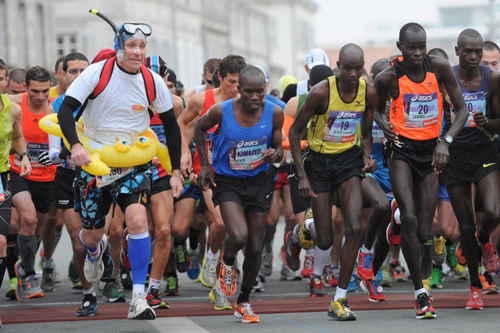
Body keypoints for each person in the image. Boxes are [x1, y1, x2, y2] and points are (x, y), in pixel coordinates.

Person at [57, 22, 183, 320]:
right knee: (91, 234)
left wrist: (175, 171)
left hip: (134, 163)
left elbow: (171, 127)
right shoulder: (96, 74)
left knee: (138, 220)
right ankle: (93, 253)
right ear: (119, 47)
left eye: (142, 46)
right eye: (131, 46)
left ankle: (138, 297)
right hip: (96, 162)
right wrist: (76, 146)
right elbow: (65, 110)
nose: (138, 52)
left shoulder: (152, 81)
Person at [374, 22, 468, 319]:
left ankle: (397, 219)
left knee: (425, 230)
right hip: (401, 150)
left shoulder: (439, 68)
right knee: (413, 219)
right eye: (411, 47)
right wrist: (383, 123)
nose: (417, 53)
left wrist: (445, 142)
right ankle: (420, 295)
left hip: (430, 152)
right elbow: (375, 110)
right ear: (400, 48)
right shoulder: (388, 76)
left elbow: (462, 109)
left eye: (421, 47)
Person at [289, 43, 377, 321]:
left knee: (353, 226)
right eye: (347, 68)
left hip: (349, 162)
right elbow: (293, 133)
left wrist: (366, 155)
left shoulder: (368, 92)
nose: (353, 74)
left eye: (358, 68)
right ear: (339, 66)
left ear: (363, 67)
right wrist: (301, 175)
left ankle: (339, 299)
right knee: (325, 239)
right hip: (319, 164)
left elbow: (365, 133)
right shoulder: (321, 92)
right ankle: (299, 233)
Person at [195, 65, 284, 323]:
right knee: (240, 234)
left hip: (260, 181)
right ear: (238, 89)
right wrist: (205, 166)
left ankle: (243, 302)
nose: (255, 98)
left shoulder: (274, 113)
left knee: (255, 248)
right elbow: (200, 128)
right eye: (248, 92)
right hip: (229, 181)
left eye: (260, 92)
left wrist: (274, 154)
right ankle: (228, 257)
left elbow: (279, 149)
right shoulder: (222, 111)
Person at [178, 55, 246, 310]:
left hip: (237, 172)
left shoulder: (245, 101)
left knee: (237, 231)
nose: (236, 89)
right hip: (206, 171)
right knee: (219, 221)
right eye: (232, 82)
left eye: (241, 83)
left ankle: (219, 284)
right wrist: (185, 151)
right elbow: (182, 122)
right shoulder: (202, 100)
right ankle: (212, 258)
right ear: (220, 77)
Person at [441, 29, 500, 309]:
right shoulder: (446, 78)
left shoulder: (493, 79)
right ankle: (475, 286)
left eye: (478, 51)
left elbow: (499, 123)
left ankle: (485, 238)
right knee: (464, 225)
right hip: (454, 156)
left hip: (483, 152)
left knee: (493, 212)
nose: (474, 56)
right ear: (457, 51)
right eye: (468, 51)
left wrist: (485, 121)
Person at [7, 66, 57, 303]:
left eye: (45, 91)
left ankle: (23, 266)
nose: (40, 96)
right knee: (26, 220)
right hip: (17, 171)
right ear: (26, 88)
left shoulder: (57, 107)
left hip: (46, 177)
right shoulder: (13, 103)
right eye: (35, 91)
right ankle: (28, 275)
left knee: (36, 230)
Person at [0, 59, 32, 325]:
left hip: (1, 178)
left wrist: (23, 156)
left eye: (0, 79)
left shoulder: (12, 109)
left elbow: (18, 136)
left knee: (0, 241)